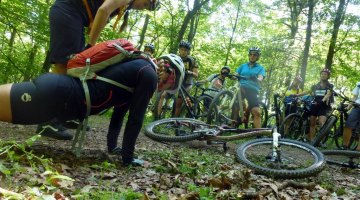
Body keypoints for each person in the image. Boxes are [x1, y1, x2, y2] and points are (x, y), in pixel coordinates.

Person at [0, 53, 184, 166]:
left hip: (59, 93)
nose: (164, 88)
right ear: (170, 73)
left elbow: (119, 113)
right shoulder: (148, 75)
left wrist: (114, 148)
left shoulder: (138, 68)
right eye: (169, 84)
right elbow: (135, 119)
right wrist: (128, 159)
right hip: (59, 97)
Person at [40, 0, 160, 139]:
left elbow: (97, 18)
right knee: (64, 65)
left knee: (74, 68)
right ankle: (47, 120)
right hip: (69, 11)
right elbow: (103, 10)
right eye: (145, 4)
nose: (141, 8)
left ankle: (63, 114)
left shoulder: (124, 7)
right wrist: (91, 45)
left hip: (77, 17)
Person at [233, 47, 266, 128]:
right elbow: (235, 74)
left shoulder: (260, 68)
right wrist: (232, 75)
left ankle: (258, 135)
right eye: (250, 54)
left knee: (257, 112)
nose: (252, 56)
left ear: (258, 57)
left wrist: (257, 78)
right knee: (235, 107)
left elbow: (261, 77)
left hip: (252, 90)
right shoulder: (242, 66)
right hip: (241, 88)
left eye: (254, 55)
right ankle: (232, 126)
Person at [298, 68, 334, 141]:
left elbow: (328, 94)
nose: (323, 75)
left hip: (324, 105)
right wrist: (297, 95)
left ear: (328, 76)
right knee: (312, 123)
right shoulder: (315, 86)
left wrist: (322, 100)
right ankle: (312, 140)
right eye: (322, 74)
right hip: (315, 104)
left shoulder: (330, 86)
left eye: (325, 74)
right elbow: (308, 91)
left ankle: (321, 141)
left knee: (322, 123)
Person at [174, 41, 199, 117]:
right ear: (179, 50)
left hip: (187, 83)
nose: (183, 51)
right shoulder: (176, 58)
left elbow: (196, 75)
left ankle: (174, 121)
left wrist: (189, 72)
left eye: (185, 50)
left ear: (188, 51)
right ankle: (191, 108)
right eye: (182, 49)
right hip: (178, 81)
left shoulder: (192, 60)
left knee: (178, 103)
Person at [343, 82, 360, 151]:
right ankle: (345, 146)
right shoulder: (359, 84)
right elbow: (355, 97)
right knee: (348, 125)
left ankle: (358, 151)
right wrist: (348, 107)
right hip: (357, 106)